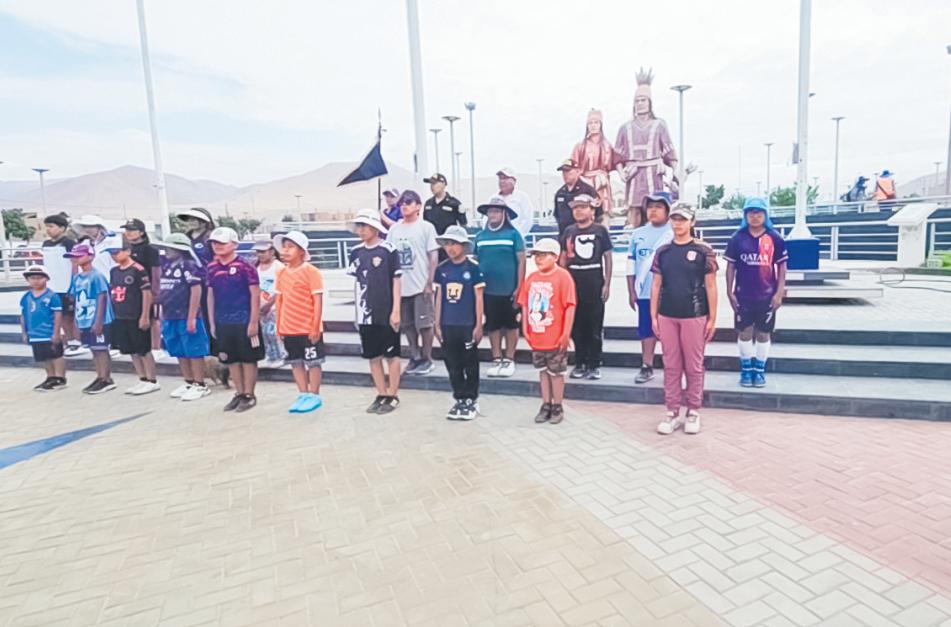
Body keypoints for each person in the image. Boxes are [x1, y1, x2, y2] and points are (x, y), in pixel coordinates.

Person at [650, 204, 718, 436]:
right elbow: (656, 285)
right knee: (671, 364)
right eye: (675, 219)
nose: (678, 224)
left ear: (692, 222)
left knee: (694, 365)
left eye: (683, 220)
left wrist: (712, 318)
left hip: (694, 314)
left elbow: (711, 285)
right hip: (667, 314)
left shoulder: (703, 250)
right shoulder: (663, 251)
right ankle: (672, 411)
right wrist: (654, 316)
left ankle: (693, 410)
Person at [724, 197, 788, 388]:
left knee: (763, 333)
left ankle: (759, 370)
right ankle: (746, 369)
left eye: (759, 212)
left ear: (765, 215)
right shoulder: (737, 238)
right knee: (744, 332)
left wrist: (779, 293)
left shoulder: (774, 238)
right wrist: (729, 291)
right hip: (743, 295)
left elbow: (782, 267)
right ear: (745, 215)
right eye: (751, 212)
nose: (755, 216)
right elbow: (730, 267)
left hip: (766, 295)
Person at [347, 209, 403, 414]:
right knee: (373, 356)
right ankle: (381, 393)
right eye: (359, 226)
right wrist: (356, 313)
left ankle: (393, 394)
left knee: (392, 355)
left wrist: (396, 310)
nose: (361, 230)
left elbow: (396, 280)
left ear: (375, 227)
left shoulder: (388, 249)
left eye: (365, 226)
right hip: (365, 312)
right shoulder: (356, 252)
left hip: (385, 310)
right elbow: (356, 283)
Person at [517, 238, 576, 425]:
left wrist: (566, 333)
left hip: (555, 335)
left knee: (556, 373)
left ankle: (557, 405)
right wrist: (525, 327)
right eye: (536, 255)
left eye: (543, 255)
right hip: (537, 335)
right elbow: (525, 304)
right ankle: (546, 404)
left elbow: (570, 305)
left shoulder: (563, 277)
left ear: (555, 256)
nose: (539, 259)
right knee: (542, 371)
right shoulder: (531, 278)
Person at [206, 226, 263, 412]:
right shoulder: (212, 267)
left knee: (248, 358)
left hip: (244, 319)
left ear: (234, 244)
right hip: (223, 321)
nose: (217, 246)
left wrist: (253, 321)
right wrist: (212, 322)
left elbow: (255, 294)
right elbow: (210, 295)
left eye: (222, 242)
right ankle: (239, 393)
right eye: (214, 243)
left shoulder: (245, 267)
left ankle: (249, 394)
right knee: (231, 358)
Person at [434, 225, 485, 420]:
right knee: (452, 363)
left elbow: (479, 297)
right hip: (448, 324)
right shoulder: (442, 269)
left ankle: (471, 398)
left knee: (469, 363)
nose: (450, 248)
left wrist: (478, 325)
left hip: (466, 324)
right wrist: (437, 323)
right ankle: (459, 398)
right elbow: (439, 297)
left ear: (463, 245)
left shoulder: (473, 268)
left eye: (454, 243)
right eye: (447, 244)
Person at [559, 194, 612, 380]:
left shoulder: (600, 230)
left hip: (594, 281)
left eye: (582, 207)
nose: (578, 211)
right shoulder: (569, 231)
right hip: (574, 282)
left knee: (594, 325)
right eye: (575, 208)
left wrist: (607, 283)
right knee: (577, 325)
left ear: (592, 209)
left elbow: (607, 256)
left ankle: (594, 363)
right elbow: (563, 257)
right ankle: (580, 362)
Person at [153, 233, 211, 401]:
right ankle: (188, 381)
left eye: (170, 248)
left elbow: (196, 290)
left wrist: (192, 317)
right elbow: (164, 290)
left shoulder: (189, 266)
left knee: (194, 350)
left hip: (187, 315)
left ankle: (200, 383)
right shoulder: (166, 266)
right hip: (170, 315)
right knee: (179, 349)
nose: (166, 251)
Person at [614, 68, 679, 216]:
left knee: (654, 207)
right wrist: (621, 173)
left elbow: (669, 152)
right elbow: (617, 157)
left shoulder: (659, 124)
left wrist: (676, 172)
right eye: (637, 101)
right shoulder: (625, 128)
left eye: (643, 100)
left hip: (653, 174)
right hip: (633, 175)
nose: (640, 103)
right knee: (634, 211)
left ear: (650, 102)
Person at [388, 190, 439, 376]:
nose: (404, 205)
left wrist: (430, 281)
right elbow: (389, 255)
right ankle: (415, 356)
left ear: (418, 206)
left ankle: (427, 357)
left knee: (425, 324)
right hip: (402, 286)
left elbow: (433, 255)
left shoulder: (426, 227)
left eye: (408, 202)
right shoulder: (394, 229)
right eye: (401, 202)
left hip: (420, 284)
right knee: (407, 324)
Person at [473, 196, 525, 378]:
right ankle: (496, 358)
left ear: (504, 214)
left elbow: (521, 261)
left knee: (511, 324)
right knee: (493, 325)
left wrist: (519, 287)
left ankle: (509, 359)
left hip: (509, 288)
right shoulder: (480, 236)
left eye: (496, 211)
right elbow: (475, 261)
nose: (493, 214)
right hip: (488, 289)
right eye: (490, 211)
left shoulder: (514, 235)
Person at [274, 231, 325, 414]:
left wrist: (315, 326)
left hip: (307, 327)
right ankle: (302, 393)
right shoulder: (281, 273)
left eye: (290, 247)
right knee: (295, 362)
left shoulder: (311, 272)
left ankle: (314, 394)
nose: (285, 251)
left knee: (313, 362)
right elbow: (279, 301)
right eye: (284, 247)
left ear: (301, 251)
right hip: (289, 327)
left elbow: (317, 300)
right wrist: (279, 326)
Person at [626, 192, 674, 384]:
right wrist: (631, 291)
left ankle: (673, 367)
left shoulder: (675, 231)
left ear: (668, 211)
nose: (653, 210)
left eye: (659, 207)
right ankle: (647, 365)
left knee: (671, 331)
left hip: (670, 293)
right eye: (650, 206)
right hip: (645, 292)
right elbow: (631, 264)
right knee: (646, 330)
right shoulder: (637, 234)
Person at [107, 239, 160, 395]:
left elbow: (146, 293)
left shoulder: (138, 270)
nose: (114, 256)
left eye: (117, 252)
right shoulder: (114, 271)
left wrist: (145, 315)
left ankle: (152, 379)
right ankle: (142, 378)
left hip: (136, 314)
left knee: (143, 349)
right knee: (131, 349)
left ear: (128, 251)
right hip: (121, 315)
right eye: (111, 254)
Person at [65, 243, 115, 394]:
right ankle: (99, 376)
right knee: (94, 349)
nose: (76, 259)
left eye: (79, 256)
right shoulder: (77, 278)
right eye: (73, 257)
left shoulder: (97, 276)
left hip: (99, 319)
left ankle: (106, 378)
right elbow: (74, 299)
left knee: (101, 348)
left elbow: (102, 297)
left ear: (90, 256)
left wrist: (98, 322)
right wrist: (76, 322)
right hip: (84, 318)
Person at [20, 264, 66, 391]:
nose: (36, 281)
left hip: (49, 331)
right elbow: (23, 315)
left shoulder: (52, 296)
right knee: (43, 357)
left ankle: (60, 377)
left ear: (46, 279)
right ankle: (50, 376)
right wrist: (24, 332)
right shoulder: (26, 297)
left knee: (56, 355)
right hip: (34, 333)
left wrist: (56, 332)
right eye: (32, 278)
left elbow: (58, 314)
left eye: (39, 278)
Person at [122, 219, 163, 358]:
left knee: (152, 318)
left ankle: (156, 347)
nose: (128, 233)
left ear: (141, 232)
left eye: (132, 230)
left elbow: (156, 271)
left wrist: (155, 291)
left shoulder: (149, 250)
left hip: (147, 288)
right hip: (130, 290)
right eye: (127, 230)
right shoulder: (126, 250)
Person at [40, 213, 81, 356]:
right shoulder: (46, 244)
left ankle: (77, 341)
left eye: (51, 226)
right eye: (47, 227)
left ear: (62, 228)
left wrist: (73, 284)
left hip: (67, 285)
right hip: (52, 286)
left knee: (71, 316)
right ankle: (68, 340)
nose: (48, 230)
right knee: (60, 315)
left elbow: (75, 264)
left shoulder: (69, 243)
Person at [572, 109, 615, 217]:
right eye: (590, 123)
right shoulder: (580, 146)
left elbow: (615, 163)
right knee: (585, 211)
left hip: (602, 184)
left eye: (596, 122)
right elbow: (573, 167)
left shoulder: (607, 146)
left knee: (603, 213)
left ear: (601, 125)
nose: (593, 125)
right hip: (585, 183)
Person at [254, 240, 286, 368]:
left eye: (263, 252)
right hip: (261, 304)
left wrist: (270, 304)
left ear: (272, 251)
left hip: (275, 305)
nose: (260, 254)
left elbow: (282, 288)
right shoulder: (257, 268)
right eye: (258, 252)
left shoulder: (279, 267)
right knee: (264, 332)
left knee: (274, 332)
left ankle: (280, 355)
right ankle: (270, 355)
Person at [553, 159, 599, 237]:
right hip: (565, 236)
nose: (565, 175)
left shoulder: (588, 190)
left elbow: (598, 213)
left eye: (568, 171)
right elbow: (557, 215)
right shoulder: (560, 193)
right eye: (563, 172)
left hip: (585, 236)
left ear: (577, 171)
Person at [73, 214, 123, 281]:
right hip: (86, 282)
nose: (88, 229)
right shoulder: (82, 245)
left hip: (107, 281)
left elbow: (119, 263)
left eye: (91, 226)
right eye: (85, 226)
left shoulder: (113, 242)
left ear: (99, 228)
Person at [496, 167, 535, 238]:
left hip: (516, 237)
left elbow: (528, 219)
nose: (502, 181)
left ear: (514, 180)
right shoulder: (494, 198)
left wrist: (517, 235)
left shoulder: (522, 197)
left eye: (505, 178)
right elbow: (486, 220)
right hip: (497, 238)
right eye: (500, 178)